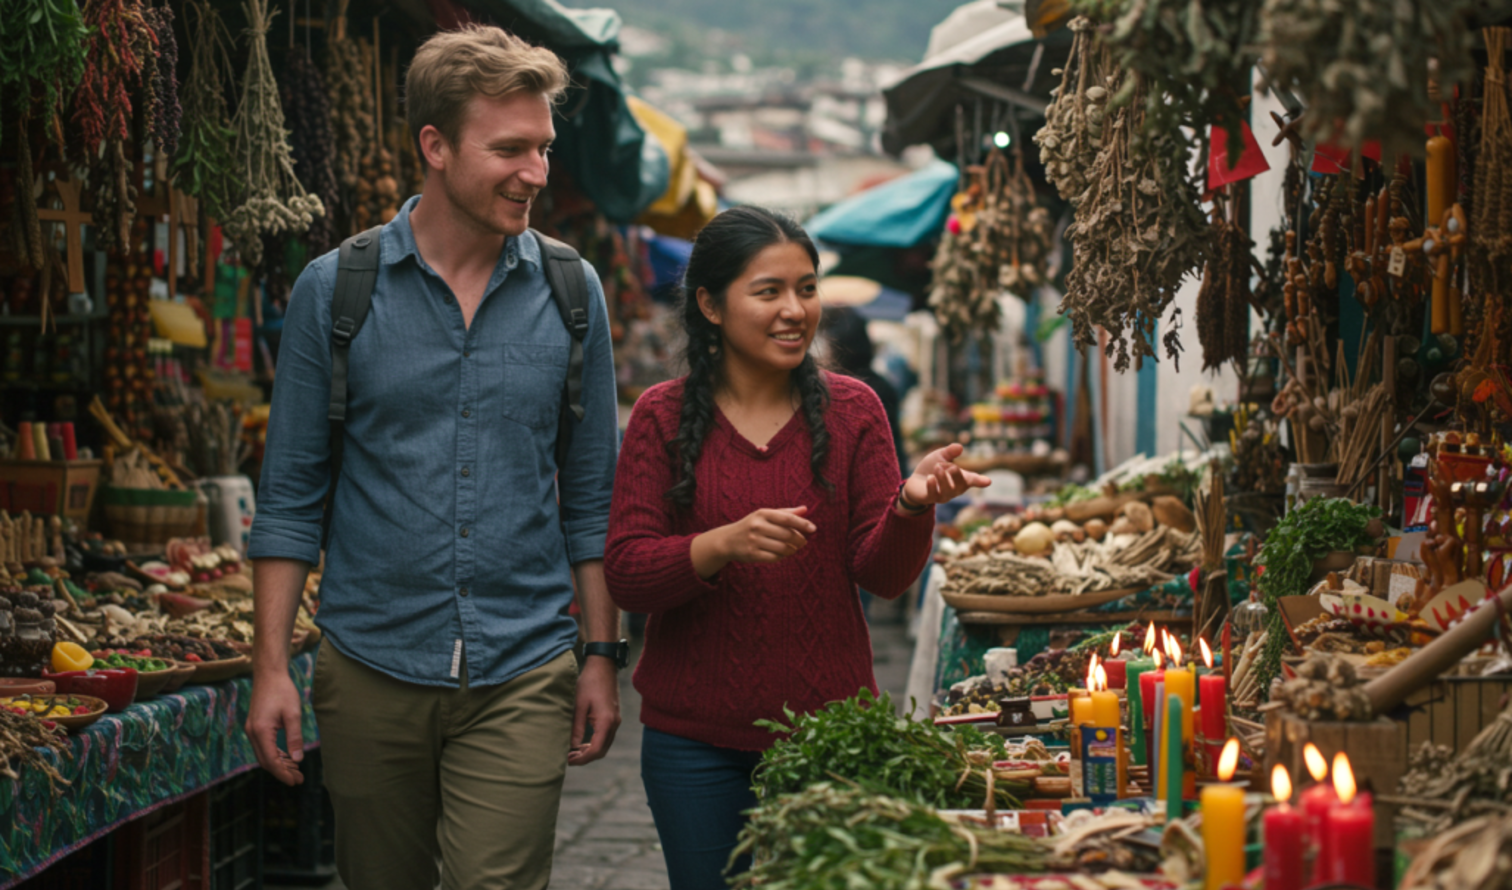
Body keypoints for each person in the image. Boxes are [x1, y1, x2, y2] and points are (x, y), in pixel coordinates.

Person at [244, 25, 622, 890]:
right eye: (511, 150)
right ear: (436, 146)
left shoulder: (572, 292)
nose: (537, 173)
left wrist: (601, 655)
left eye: (544, 149)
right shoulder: (335, 290)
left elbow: (592, 497)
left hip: (524, 666)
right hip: (371, 663)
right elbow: (292, 494)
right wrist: (271, 669)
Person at [604, 206, 989, 890]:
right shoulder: (661, 417)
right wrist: (719, 545)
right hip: (691, 741)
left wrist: (911, 505)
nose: (795, 310)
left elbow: (884, 575)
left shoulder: (854, 411)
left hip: (832, 738)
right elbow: (629, 574)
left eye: (807, 288)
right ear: (710, 305)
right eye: (769, 291)